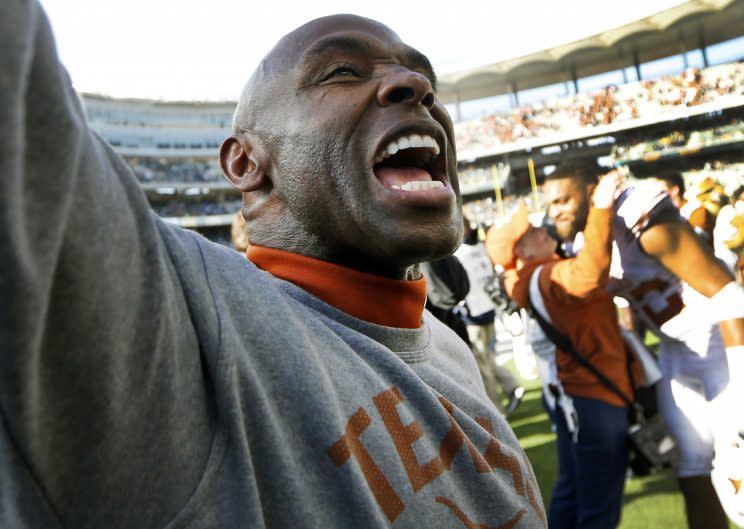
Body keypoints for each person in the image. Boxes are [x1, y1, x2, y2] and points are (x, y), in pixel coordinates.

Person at [0, 4, 547, 529]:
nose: (415, 86)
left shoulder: (441, 344)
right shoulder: (188, 331)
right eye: (340, 71)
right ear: (246, 163)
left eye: (422, 76)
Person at [543, 161, 744, 529]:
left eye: (561, 200)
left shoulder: (637, 218)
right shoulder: (587, 241)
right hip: (677, 353)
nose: (553, 211)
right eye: (549, 202)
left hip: (723, 345)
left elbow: (729, 295)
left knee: (738, 479)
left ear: (591, 193)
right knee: (691, 466)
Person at [487, 171, 634, 529]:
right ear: (520, 252)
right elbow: (586, 277)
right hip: (593, 399)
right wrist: (600, 207)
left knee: (573, 490)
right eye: (532, 233)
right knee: (599, 506)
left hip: (577, 398)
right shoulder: (542, 275)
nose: (542, 228)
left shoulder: (532, 276)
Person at [455, 218, 524, 415]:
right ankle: (512, 386)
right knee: (487, 357)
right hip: (489, 309)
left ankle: (497, 409)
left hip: (474, 313)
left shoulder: (460, 253)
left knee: (481, 364)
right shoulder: (479, 247)